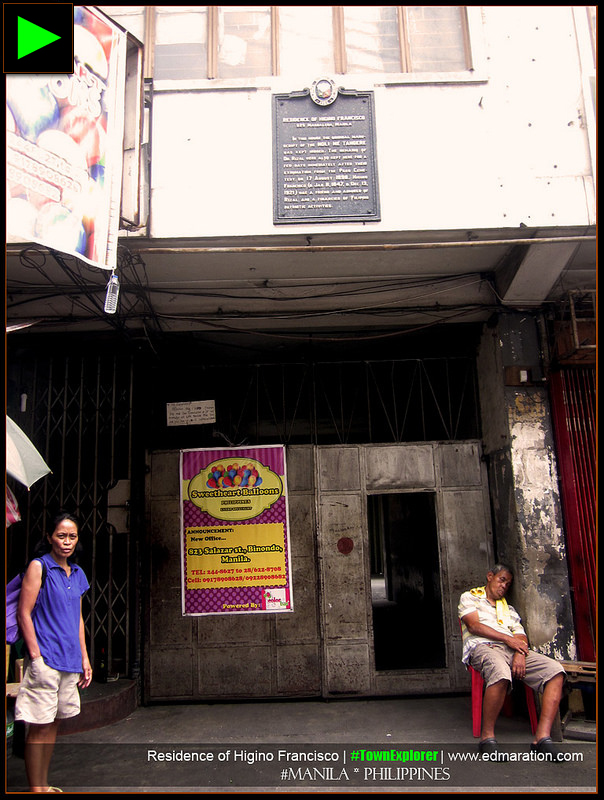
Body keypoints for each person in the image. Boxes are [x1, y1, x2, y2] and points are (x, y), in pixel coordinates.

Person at [15, 512, 93, 792]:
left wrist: (84, 658)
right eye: (61, 536)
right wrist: (35, 657)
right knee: (40, 725)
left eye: (72, 536)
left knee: (54, 724)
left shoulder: (78, 573)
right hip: (45, 658)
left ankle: (44, 784)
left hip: (69, 660)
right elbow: (24, 613)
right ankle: (36, 788)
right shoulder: (40, 567)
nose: (67, 542)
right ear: (49, 537)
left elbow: (78, 619)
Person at [458, 563, 566, 755]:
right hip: (485, 647)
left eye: (508, 584)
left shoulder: (509, 609)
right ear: (490, 576)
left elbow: (520, 636)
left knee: (555, 671)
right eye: (501, 580)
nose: (504, 586)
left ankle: (541, 739)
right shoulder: (470, 597)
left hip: (513, 650)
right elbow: (474, 626)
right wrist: (509, 639)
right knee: (500, 673)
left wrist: (519, 654)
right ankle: (487, 738)